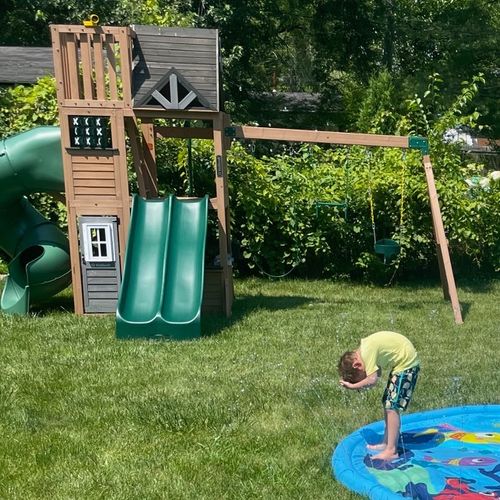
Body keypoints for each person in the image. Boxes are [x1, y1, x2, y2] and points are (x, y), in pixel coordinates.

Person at [338, 331, 420, 461]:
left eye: (362, 375)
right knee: (387, 403)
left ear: (357, 365)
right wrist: (365, 380)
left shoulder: (367, 351)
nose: (363, 379)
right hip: (402, 365)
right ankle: (387, 442)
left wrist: (353, 386)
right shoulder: (365, 349)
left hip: (407, 365)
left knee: (392, 407)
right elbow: (378, 373)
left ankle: (391, 451)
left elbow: (372, 379)